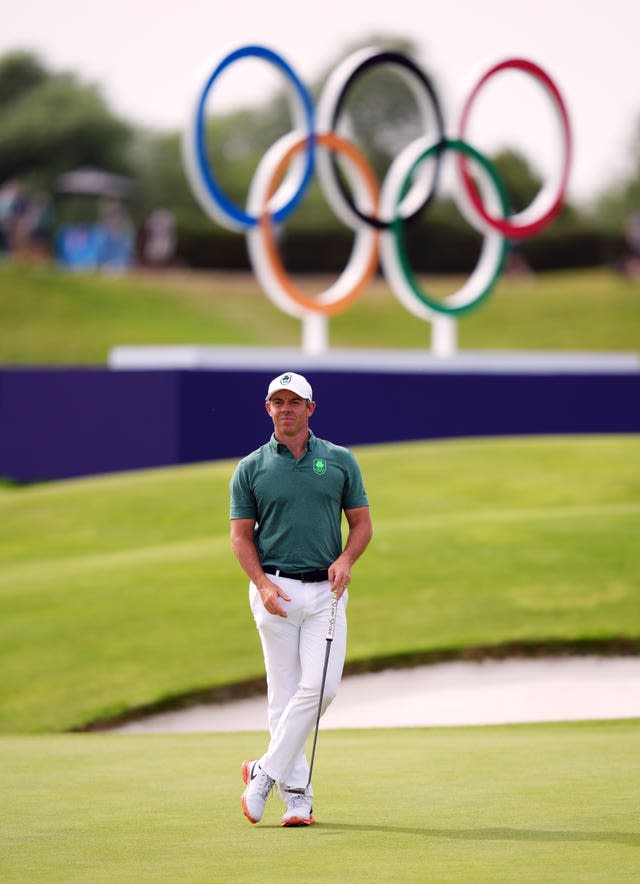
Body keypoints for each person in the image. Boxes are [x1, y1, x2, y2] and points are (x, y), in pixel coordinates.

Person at [229, 371, 373, 827]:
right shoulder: (251, 467)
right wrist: (264, 586)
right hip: (275, 592)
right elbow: (240, 538)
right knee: (284, 694)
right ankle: (298, 800)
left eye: (295, 402)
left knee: (322, 689)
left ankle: (262, 772)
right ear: (267, 408)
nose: (286, 408)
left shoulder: (338, 460)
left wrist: (347, 559)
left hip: (326, 593)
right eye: (278, 401)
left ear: (311, 408)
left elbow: (362, 524)